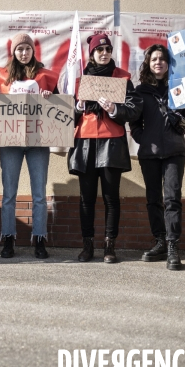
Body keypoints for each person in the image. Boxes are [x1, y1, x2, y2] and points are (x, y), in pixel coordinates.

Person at [130, 44, 185, 270]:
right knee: (153, 199)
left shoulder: (180, 88)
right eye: (154, 59)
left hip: (174, 151)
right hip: (149, 154)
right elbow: (134, 123)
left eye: (162, 59)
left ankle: (173, 245)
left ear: (168, 63)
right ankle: (160, 241)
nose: (158, 62)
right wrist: (143, 139)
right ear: (148, 63)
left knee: (172, 198)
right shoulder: (140, 91)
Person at [68, 34, 143, 263]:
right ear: (91, 54)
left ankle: (110, 247)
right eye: (99, 50)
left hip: (112, 142)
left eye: (108, 50)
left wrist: (113, 110)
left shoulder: (122, 78)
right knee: (86, 199)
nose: (104, 53)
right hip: (85, 144)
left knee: (111, 199)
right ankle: (87, 245)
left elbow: (134, 110)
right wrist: (78, 108)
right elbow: (63, 117)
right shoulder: (80, 80)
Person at [0, 33, 58, 259]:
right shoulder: (2, 76)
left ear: (33, 51)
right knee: (9, 194)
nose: (24, 53)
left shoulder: (46, 76)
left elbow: (59, 107)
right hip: (11, 141)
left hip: (38, 141)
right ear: (14, 52)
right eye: (19, 49)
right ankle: (8, 239)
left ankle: (39, 239)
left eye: (27, 49)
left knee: (39, 194)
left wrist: (51, 96)